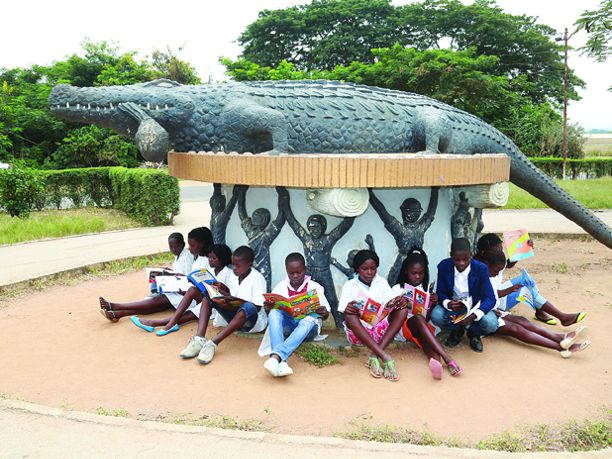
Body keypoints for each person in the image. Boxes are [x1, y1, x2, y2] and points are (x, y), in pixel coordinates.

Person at [485, 249, 590, 357]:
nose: (498, 273)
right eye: (496, 271)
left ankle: (560, 337)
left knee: (522, 320)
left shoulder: (490, 270)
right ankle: (560, 347)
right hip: (484, 315)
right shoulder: (479, 277)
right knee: (517, 328)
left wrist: (521, 249)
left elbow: (491, 293)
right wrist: (489, 308)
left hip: (492, 308)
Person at [98, 227, 213, 324]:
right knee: (157, 305)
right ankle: (119, 313)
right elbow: (190, 276)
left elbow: (203, 285)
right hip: (185, 291)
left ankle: (117, 306)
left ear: (202, 244)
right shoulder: (199, 258)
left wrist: (179, 281)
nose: (190, 248)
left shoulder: (206, 260)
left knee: (158, 300)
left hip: (191, 297)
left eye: (192, 245)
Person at [179, 245, 267, 364]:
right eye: (233, 265)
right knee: (208, 295)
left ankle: (213, 343)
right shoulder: (234, 276)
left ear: (249, 264)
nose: (234, 268)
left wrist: (231, 303)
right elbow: (232, 295)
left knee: (248, 307)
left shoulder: (258, 278)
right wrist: (221, 294)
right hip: (233, 315)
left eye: (238, 265)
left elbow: (256, 307)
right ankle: (199, 338)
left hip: (251, 323)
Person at [475, 233, 586, 326]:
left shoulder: (492, 260)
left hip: (499, 291)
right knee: (527, 287)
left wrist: (523, 249)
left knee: (528, 281)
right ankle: (561, 316)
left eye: (501, 249)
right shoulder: (478, 268)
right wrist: (511, 289)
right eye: (498, 250)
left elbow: (507, 265)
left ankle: (541, 311)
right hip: (497, 301)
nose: (501, 252)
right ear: (484, 252)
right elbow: (491, 295)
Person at [339, 250, 408, 382]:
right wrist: (349, 309)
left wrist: (398, 302)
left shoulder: (381, 282)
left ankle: (375, 354)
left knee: (403, 309)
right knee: (349, 315)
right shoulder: (350, 286)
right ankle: (384, 356)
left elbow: (391, 303)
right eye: (365, 269)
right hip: (360, 334)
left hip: (379, 331)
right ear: (358, 269)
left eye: (373, 268)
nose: (370, 272)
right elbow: (344, 311)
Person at [132, 244, 233, 335]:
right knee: (192, 290)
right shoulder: (210, 270)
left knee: (189, 314)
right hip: (205, 296)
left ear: (222, 259)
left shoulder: (228, 274)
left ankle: (155, 323)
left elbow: (230, 294)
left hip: (217, 303)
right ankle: (170, 323)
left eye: (213, 258)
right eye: (209, 257)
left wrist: (221, 286)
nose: (210, 260)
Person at [257, 253, 331, 377]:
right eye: (292, 273)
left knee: (308, 320)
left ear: (305, 270)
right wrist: (268, 308)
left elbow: (326, 314)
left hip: (309, 329)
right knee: (275, 312)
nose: (295, 276)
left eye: (299, 272)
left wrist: (324, 313)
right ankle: (282, 361)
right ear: (286, 271)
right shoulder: (281, 286)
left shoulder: (315, 287)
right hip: (289, 327)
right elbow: (272, 313)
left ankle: (276, 357)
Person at [393, 249, 462, 379]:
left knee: (425, 339)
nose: (418, 277)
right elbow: (391, 316)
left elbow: (426, 317)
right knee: (419, 321)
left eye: (421, 273)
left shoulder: (424, 290)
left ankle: (436, 363)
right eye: (414, 273)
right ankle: (448, 358)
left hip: (421, 326)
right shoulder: (397, 289)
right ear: (406, 271)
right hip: (403, 328)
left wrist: (432, 304)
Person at [430, 238, 498, 352]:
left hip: (474, 307)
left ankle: (474, 334)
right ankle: (456, 330)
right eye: (457, 260)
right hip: (454, 308)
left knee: (491, 323)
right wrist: (448, 303)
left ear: (471, 255)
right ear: (451, 255)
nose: (461, 263)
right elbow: (440, 292)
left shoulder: (481, 269)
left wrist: (474, 315)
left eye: (465, 259)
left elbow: (491, 298)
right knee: (436, 315)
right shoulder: (444, 266)